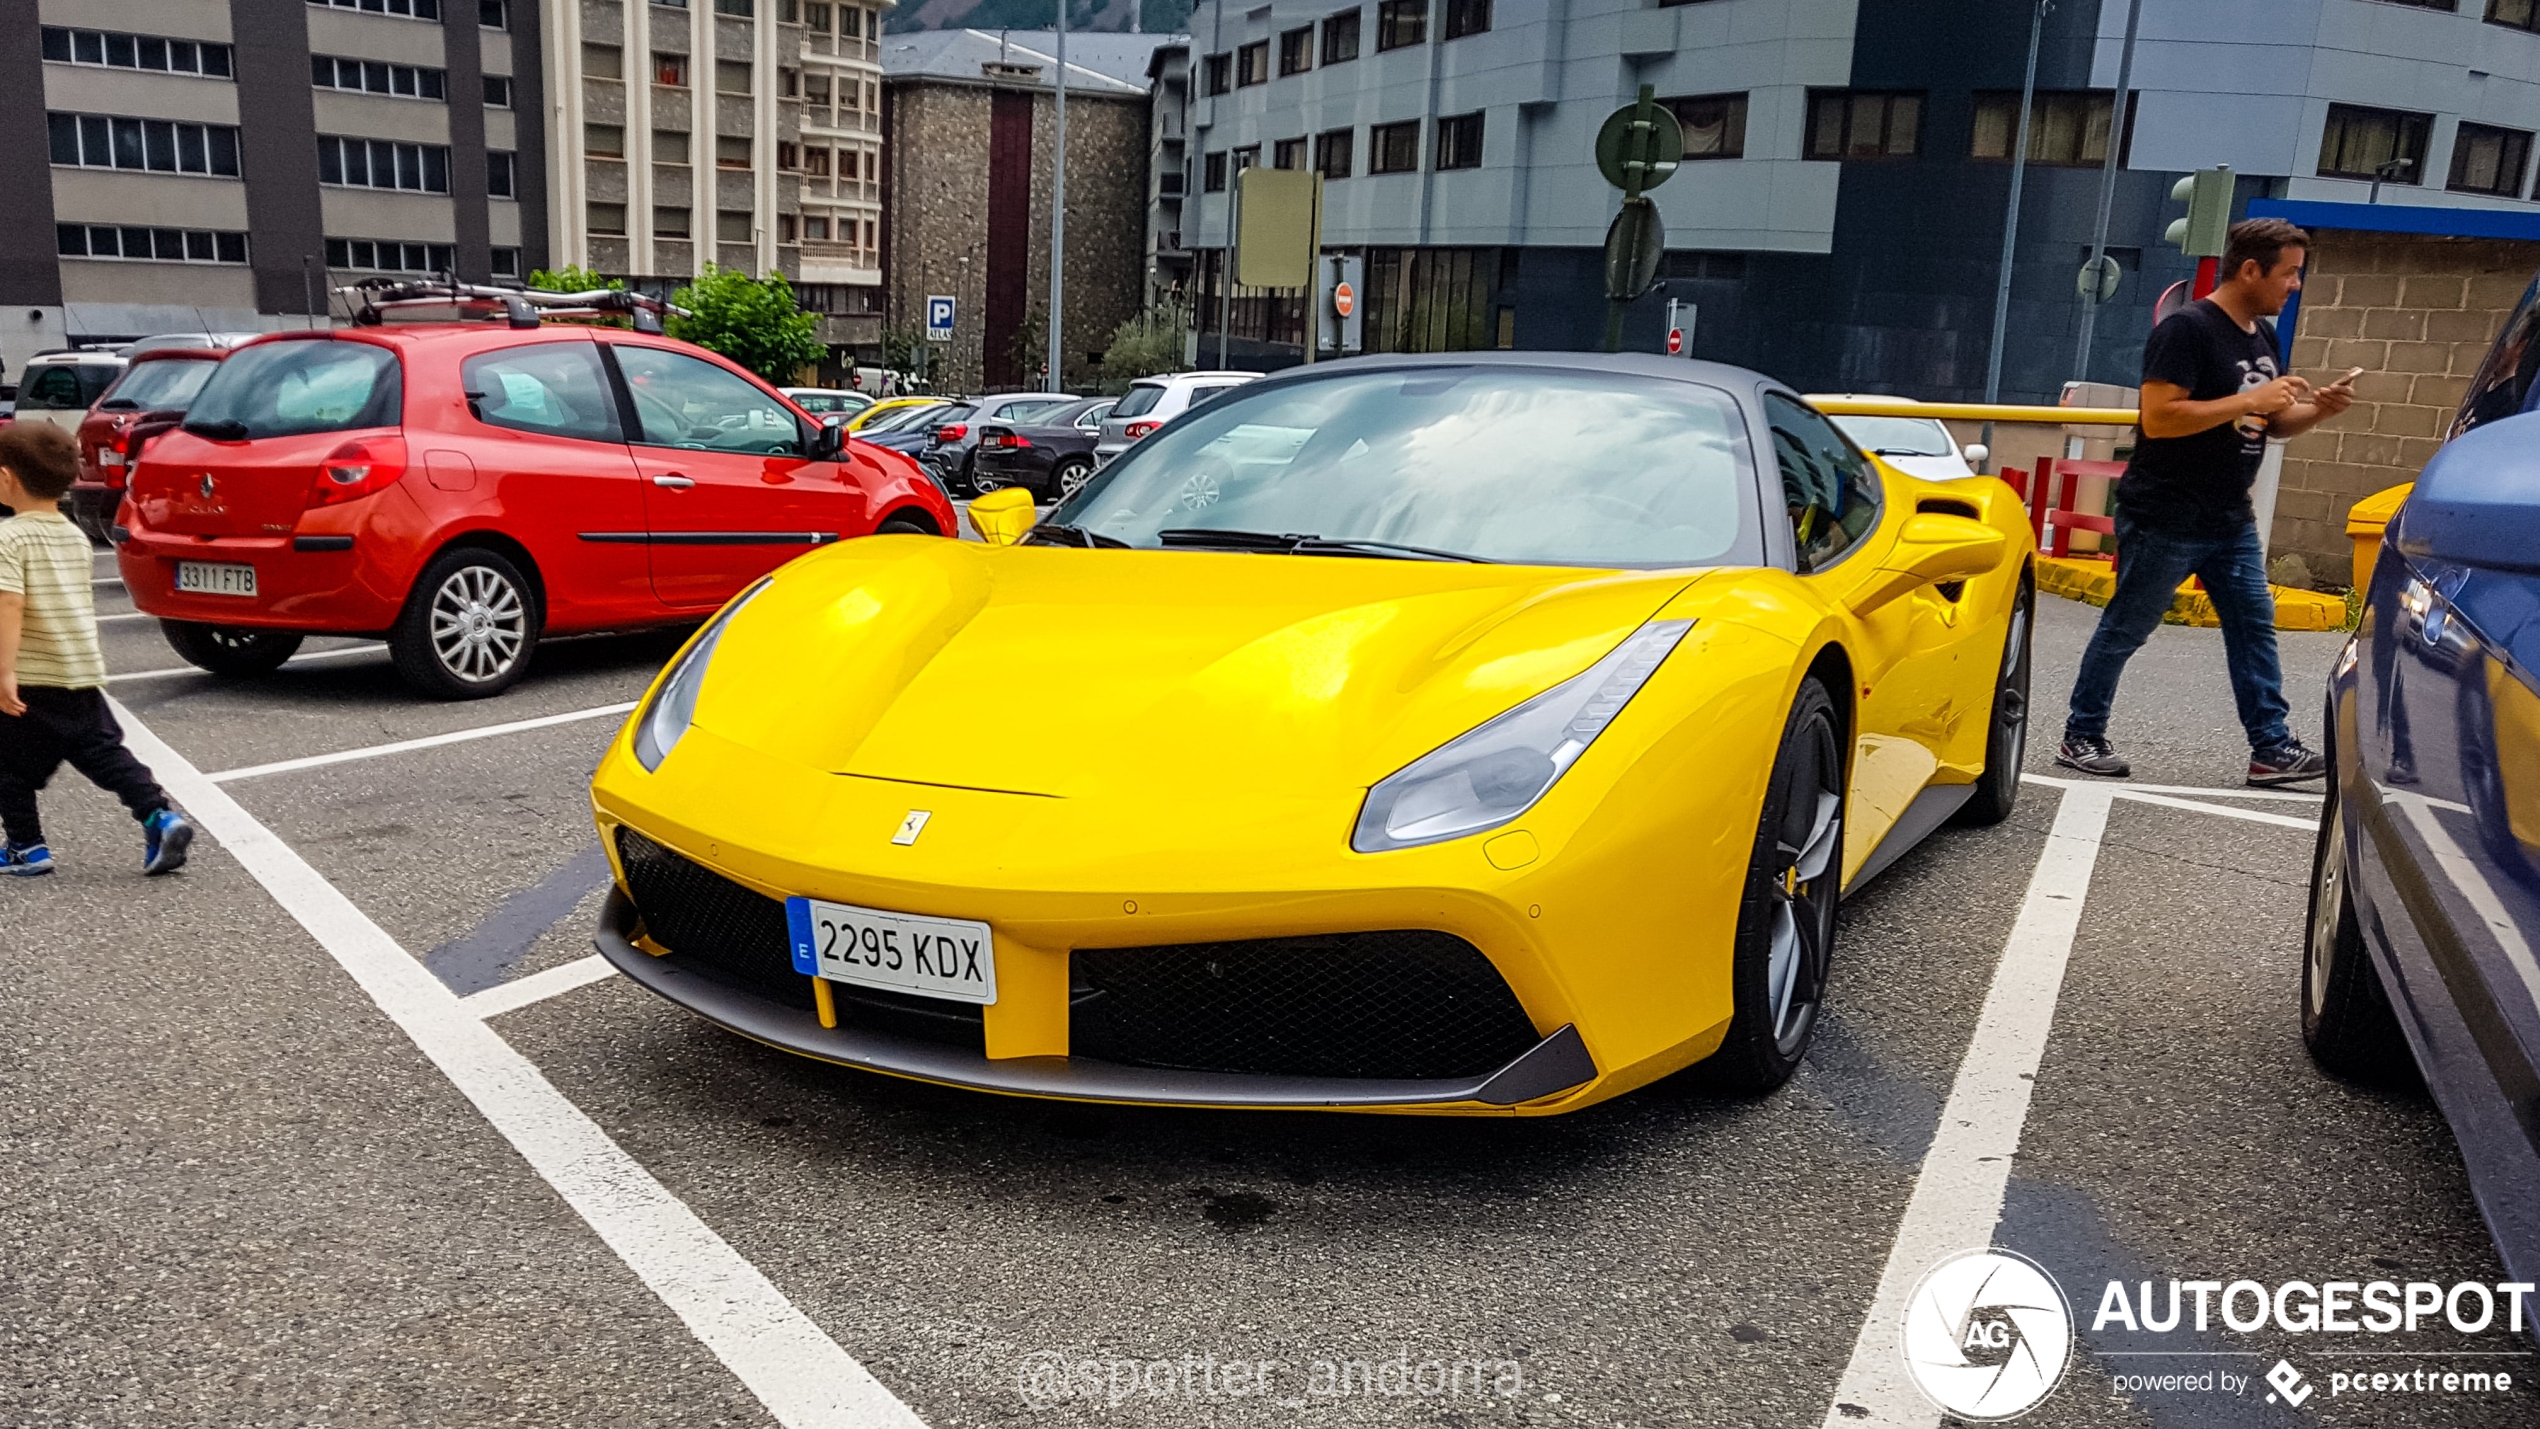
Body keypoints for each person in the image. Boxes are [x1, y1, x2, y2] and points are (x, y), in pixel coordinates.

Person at [2058, 217, 2354, 787]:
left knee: (2253, 626)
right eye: (2289, 273)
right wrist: (2251, 396)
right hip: (2166, 512)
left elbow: (2271, 422)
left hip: (2228, 516)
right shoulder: (2187, 330)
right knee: (2127, 628)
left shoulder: (2261, 336)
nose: (2295, 285)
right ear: (2250, 269)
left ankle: (2270, 748)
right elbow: (2160, 418)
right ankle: (2082, 734)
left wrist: (2318, 408)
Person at [0, 422, 193, 876]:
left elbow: (10, 602)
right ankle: (158, 814)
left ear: (7, 479)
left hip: (29, 676)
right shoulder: (72, 536)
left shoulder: (9, 538)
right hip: (78, 669)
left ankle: (27, 847)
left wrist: (4, 670)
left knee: (7, 766)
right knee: (105, 753)